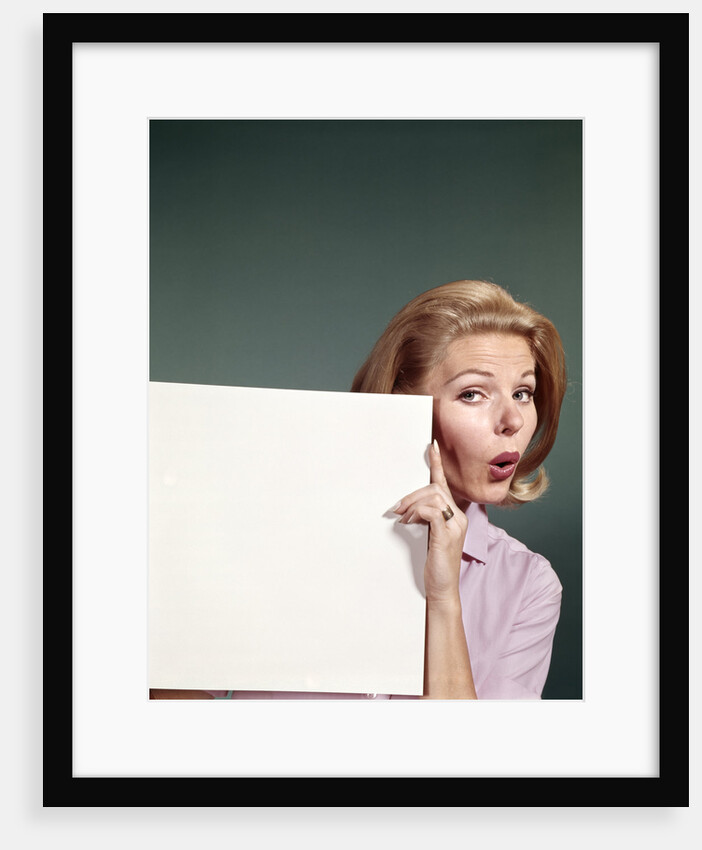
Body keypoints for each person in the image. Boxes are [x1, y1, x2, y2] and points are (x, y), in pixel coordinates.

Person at [150, 279, 567, 701]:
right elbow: (173, 702)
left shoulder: (529, 586)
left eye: (522, 392)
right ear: (400, 401)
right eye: (473, 393)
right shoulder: (284, 529)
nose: (512, 419)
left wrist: (443, 599)